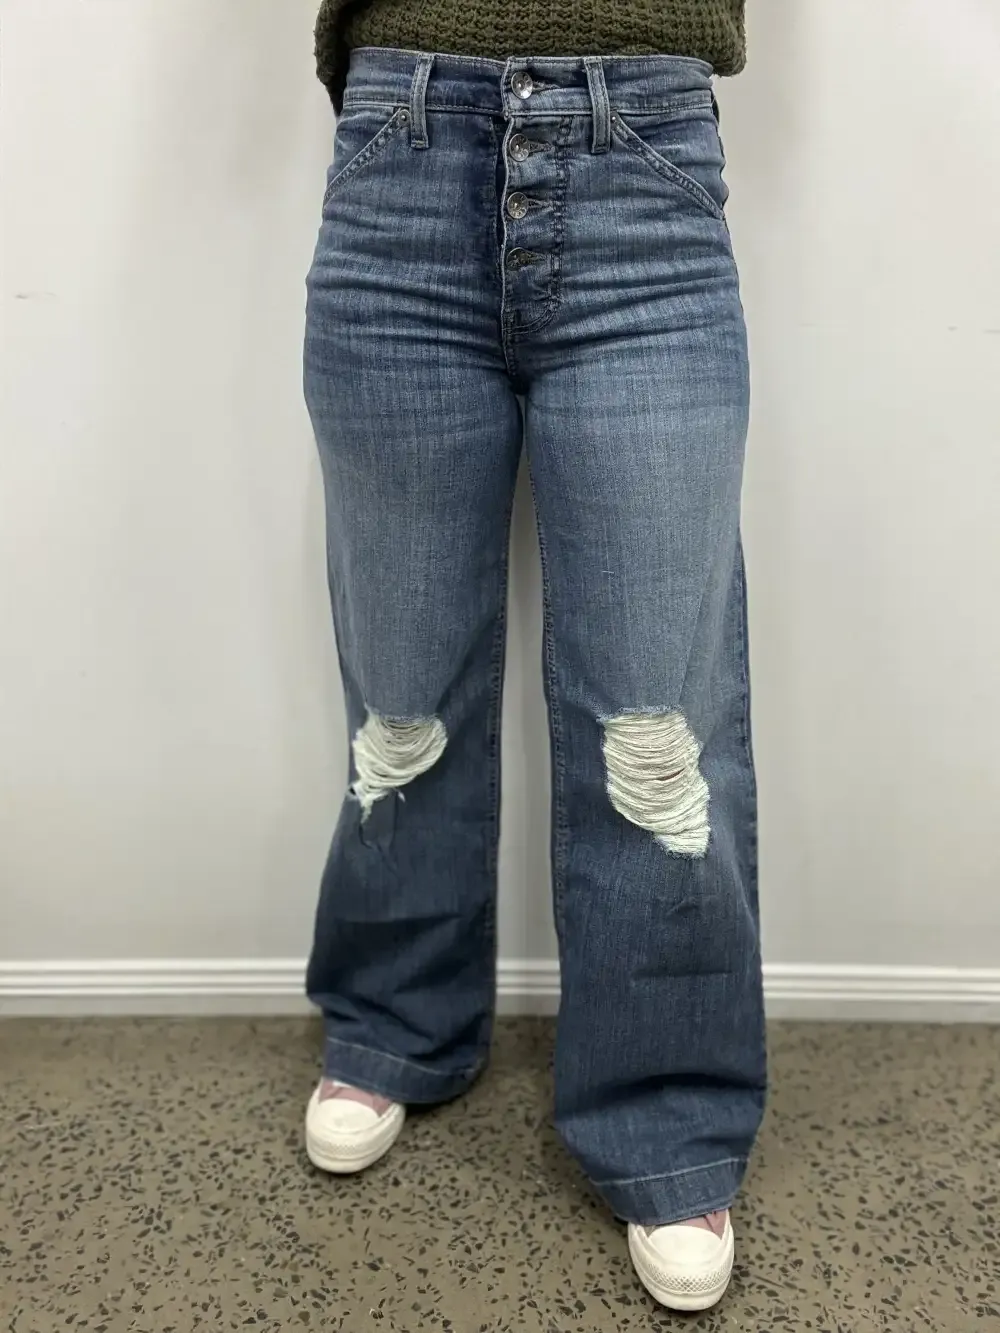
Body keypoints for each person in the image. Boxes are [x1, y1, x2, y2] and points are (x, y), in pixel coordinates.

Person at [301, 0, 764, 1312]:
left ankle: (667, 1107)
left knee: (654, 722)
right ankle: (398, 1020)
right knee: (403, 692)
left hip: (645, 169)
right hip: (399, 156)